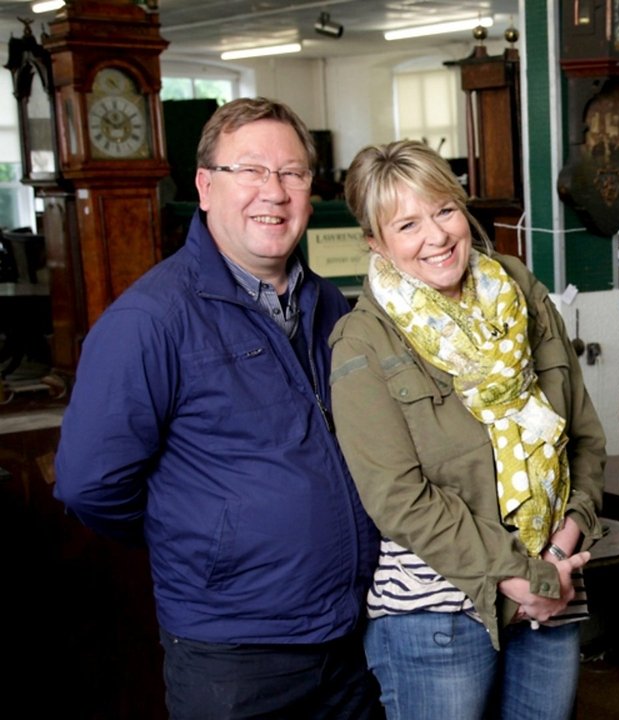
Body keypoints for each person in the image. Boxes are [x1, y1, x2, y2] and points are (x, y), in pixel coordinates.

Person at [54, 98, 382, 718]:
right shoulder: (150, 321)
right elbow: (89, 485)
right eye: (251, 171)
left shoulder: (332, 308)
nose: (274, 192)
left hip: (349, 636)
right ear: (205, 187)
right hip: (233, 654)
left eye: (292, 174)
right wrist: (201, 537)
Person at [331, 139, 606, 720]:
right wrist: (519, 575)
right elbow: (398, 498)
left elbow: (582, 434)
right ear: (376, 243)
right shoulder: (363, 342)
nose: (436, 235)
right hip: (437, 618)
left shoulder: (521, 290)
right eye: (407, 224)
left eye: (445, 210)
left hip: (552, 597)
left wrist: (560, 548)